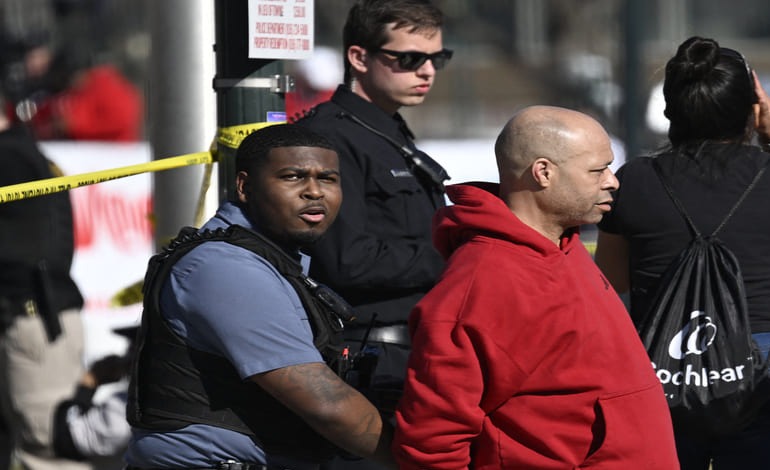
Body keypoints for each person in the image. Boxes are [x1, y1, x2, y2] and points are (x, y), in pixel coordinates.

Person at [393, 105, 680, 469]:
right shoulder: (480, 283)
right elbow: (431, 440)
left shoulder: (563, 244)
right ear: (543, 172)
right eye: (598, 170)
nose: (613, 180)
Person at [124, 124, 395, 470]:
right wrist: (424, 462)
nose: (314, 192)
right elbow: (328, 404)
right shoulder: (226, 267)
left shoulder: (276, 258)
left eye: (327, 179)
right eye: (293, 177)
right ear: (244, 186)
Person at [595, 36, 770, 469]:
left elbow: (612, 281)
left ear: (671, 110)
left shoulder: (633, 180)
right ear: (752, 108)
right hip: (763, 370)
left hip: (665, 364)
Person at [292, 4, 451, 467]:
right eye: (408, 59)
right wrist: (457, 254)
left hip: (407, 356)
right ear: (359, 58)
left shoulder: (384, 129)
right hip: (367, 364)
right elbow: (348, 259)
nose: (426, 71)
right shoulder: (329, 138)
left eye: (437, 59)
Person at [0, 92, 88, 470]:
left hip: (34, 320)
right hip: (41, 317)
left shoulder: (9, 157)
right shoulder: (26, 153)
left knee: (48, 451)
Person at [52, 325, 137, 470]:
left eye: (134, 348)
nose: (126, 355)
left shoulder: (129, 407)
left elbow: (67, 440)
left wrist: (90, 380)